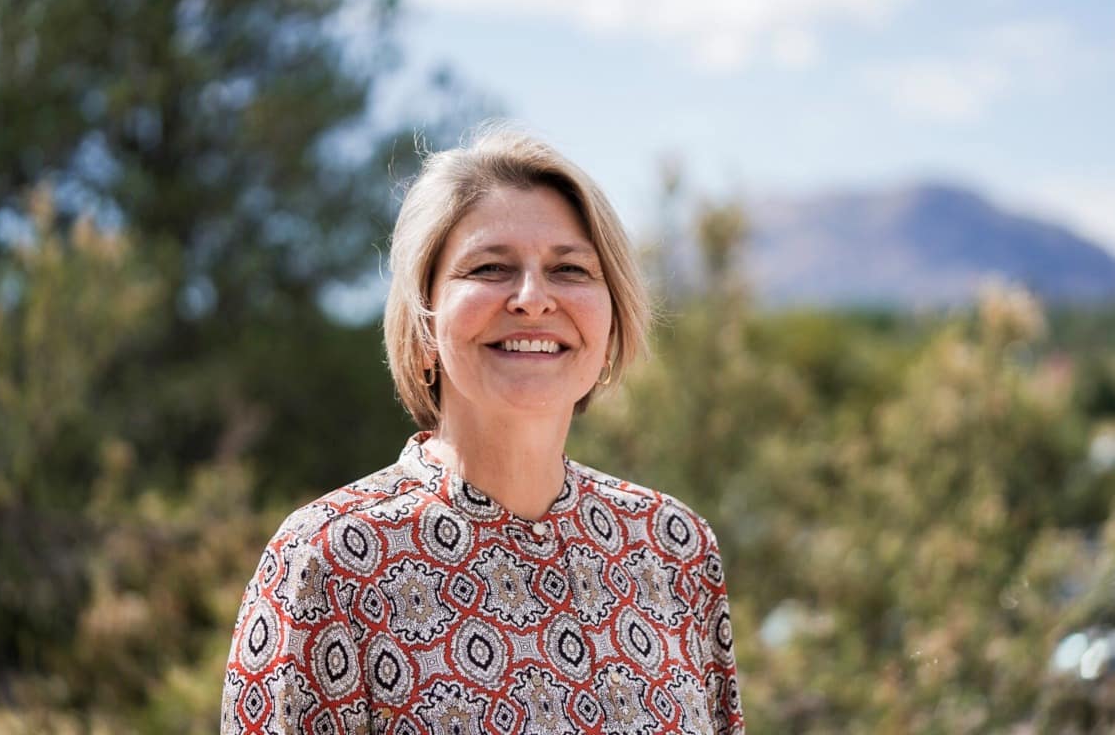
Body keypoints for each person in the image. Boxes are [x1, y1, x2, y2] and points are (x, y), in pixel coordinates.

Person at [220, 128, 744, 733]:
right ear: (422, 327)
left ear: (611, 322)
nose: (532, 298)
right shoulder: (328, 563)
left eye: (570, 269)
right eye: (490, 267)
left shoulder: (674, 547)